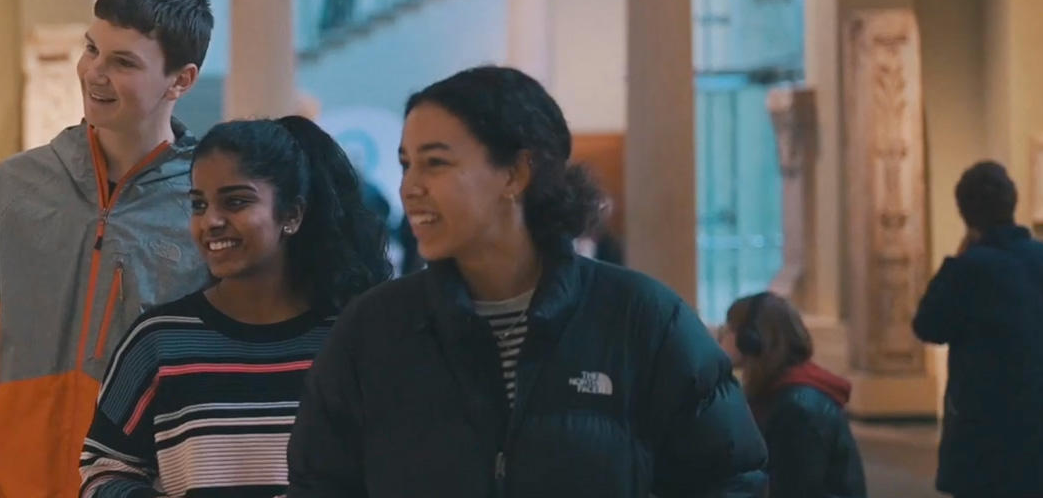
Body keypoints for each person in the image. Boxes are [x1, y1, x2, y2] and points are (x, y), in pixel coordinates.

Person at [286, 66, 767, 497]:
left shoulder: (642, 319)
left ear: (515, 173)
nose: (410, 187)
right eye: (407, 163)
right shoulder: (373, 330)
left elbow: (728, 478)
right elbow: (322, 483)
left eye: (435, 162)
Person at [0, 0, 214, 496]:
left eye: (124, 63)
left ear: (182, 80)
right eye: (90, 49)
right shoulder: (11, 191)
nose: (94, 74)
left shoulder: (206, 207)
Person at [80, 116, 391, 496]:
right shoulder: (159, 342)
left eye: (236, 202)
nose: (211, 221)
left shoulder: (349, 343)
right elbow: (103, 468)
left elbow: (392, 470)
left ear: (291, 215)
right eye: (199, 204)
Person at [914, 161, 1043, 497]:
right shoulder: (1042, 259)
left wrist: (958, 258)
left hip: (985, 429)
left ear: (966, 214)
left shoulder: (969, 269)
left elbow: (928, 325)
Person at [719, 292, 866, 497]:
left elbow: (792, 490)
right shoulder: (781, 394)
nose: (722, 337)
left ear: (751, 339)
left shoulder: (796, 410)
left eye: (729, 328)